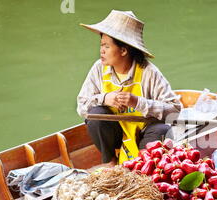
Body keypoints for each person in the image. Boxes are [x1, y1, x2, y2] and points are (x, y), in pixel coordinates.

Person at [77, 10, 181, 166]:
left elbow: (174, 110)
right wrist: (105, 99)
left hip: (144, 131)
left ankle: (142, 165)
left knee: (161, 130)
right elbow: (81, 107)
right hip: (115, 134)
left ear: (123, 50)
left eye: (106, 46)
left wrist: (138, 102)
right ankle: (111, 163)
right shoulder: (99, 68)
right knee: (96, 115)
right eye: (101, 45)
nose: (101, 51)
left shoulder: (148, 72)